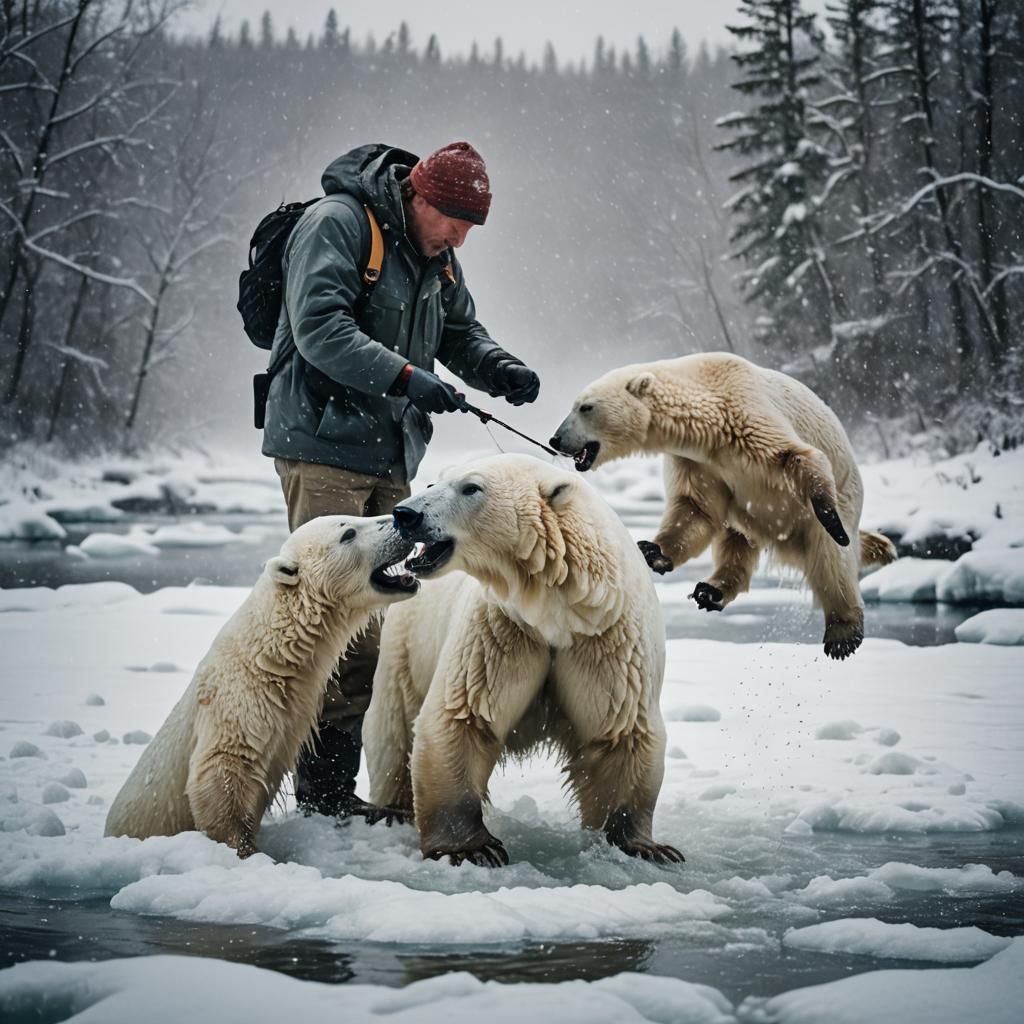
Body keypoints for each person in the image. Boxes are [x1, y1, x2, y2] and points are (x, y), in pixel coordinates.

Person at [261, 141, 540, 817]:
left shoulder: (435, 255)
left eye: (470, 226)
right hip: (321, 442)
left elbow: (459, 331)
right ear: (416, 194)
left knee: (380, 627)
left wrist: (499, 367)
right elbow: (319, 327)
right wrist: (408, 379)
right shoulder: (339, 224)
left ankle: (333, 789)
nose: (458, 236)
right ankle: (319, 798)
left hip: (391, 454)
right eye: (451, 219)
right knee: (329, 619)